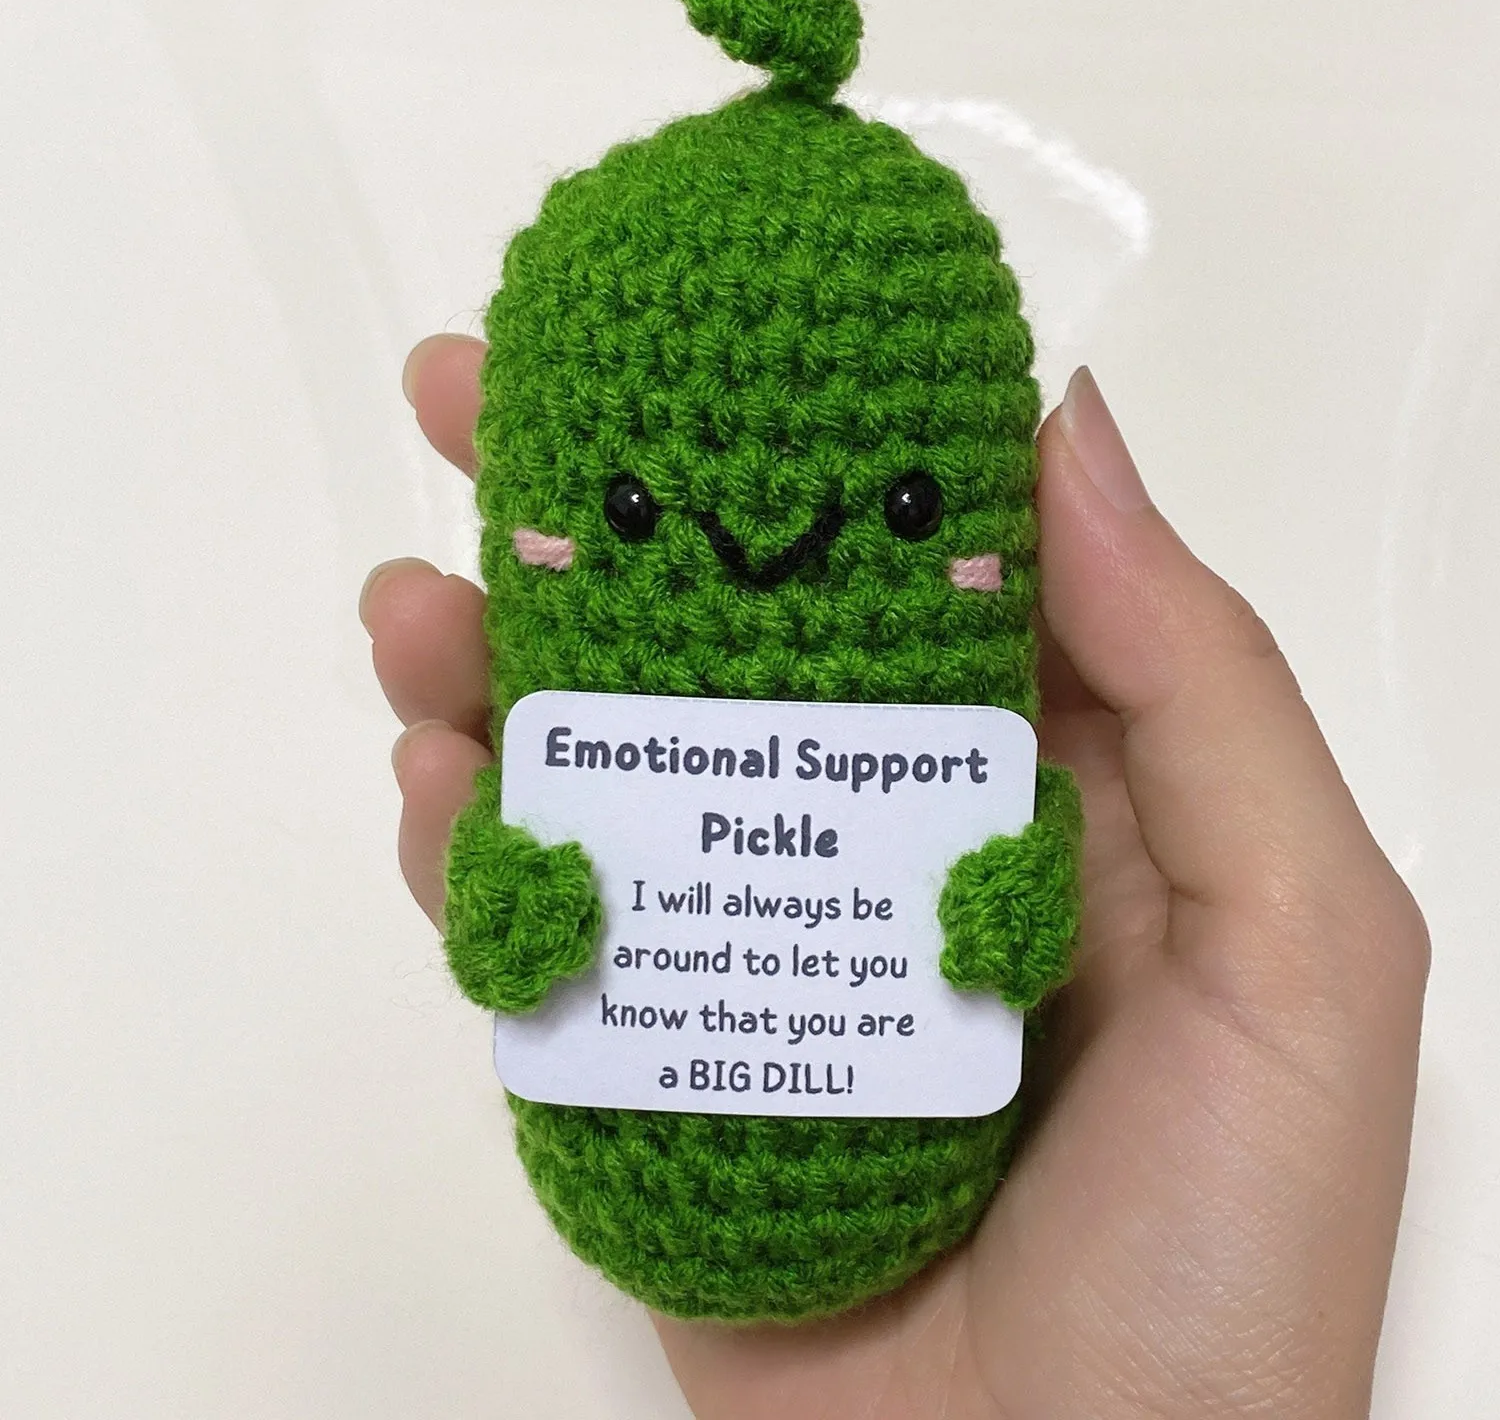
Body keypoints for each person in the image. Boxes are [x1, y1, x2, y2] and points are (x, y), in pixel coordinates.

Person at [362, 333, 1429, 1419]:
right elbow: (510, 903)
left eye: (911, 509)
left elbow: (1025, 877)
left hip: (920, 1185)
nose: (763, 551)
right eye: (628, 509)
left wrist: (1019, 909)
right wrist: (513, 907)